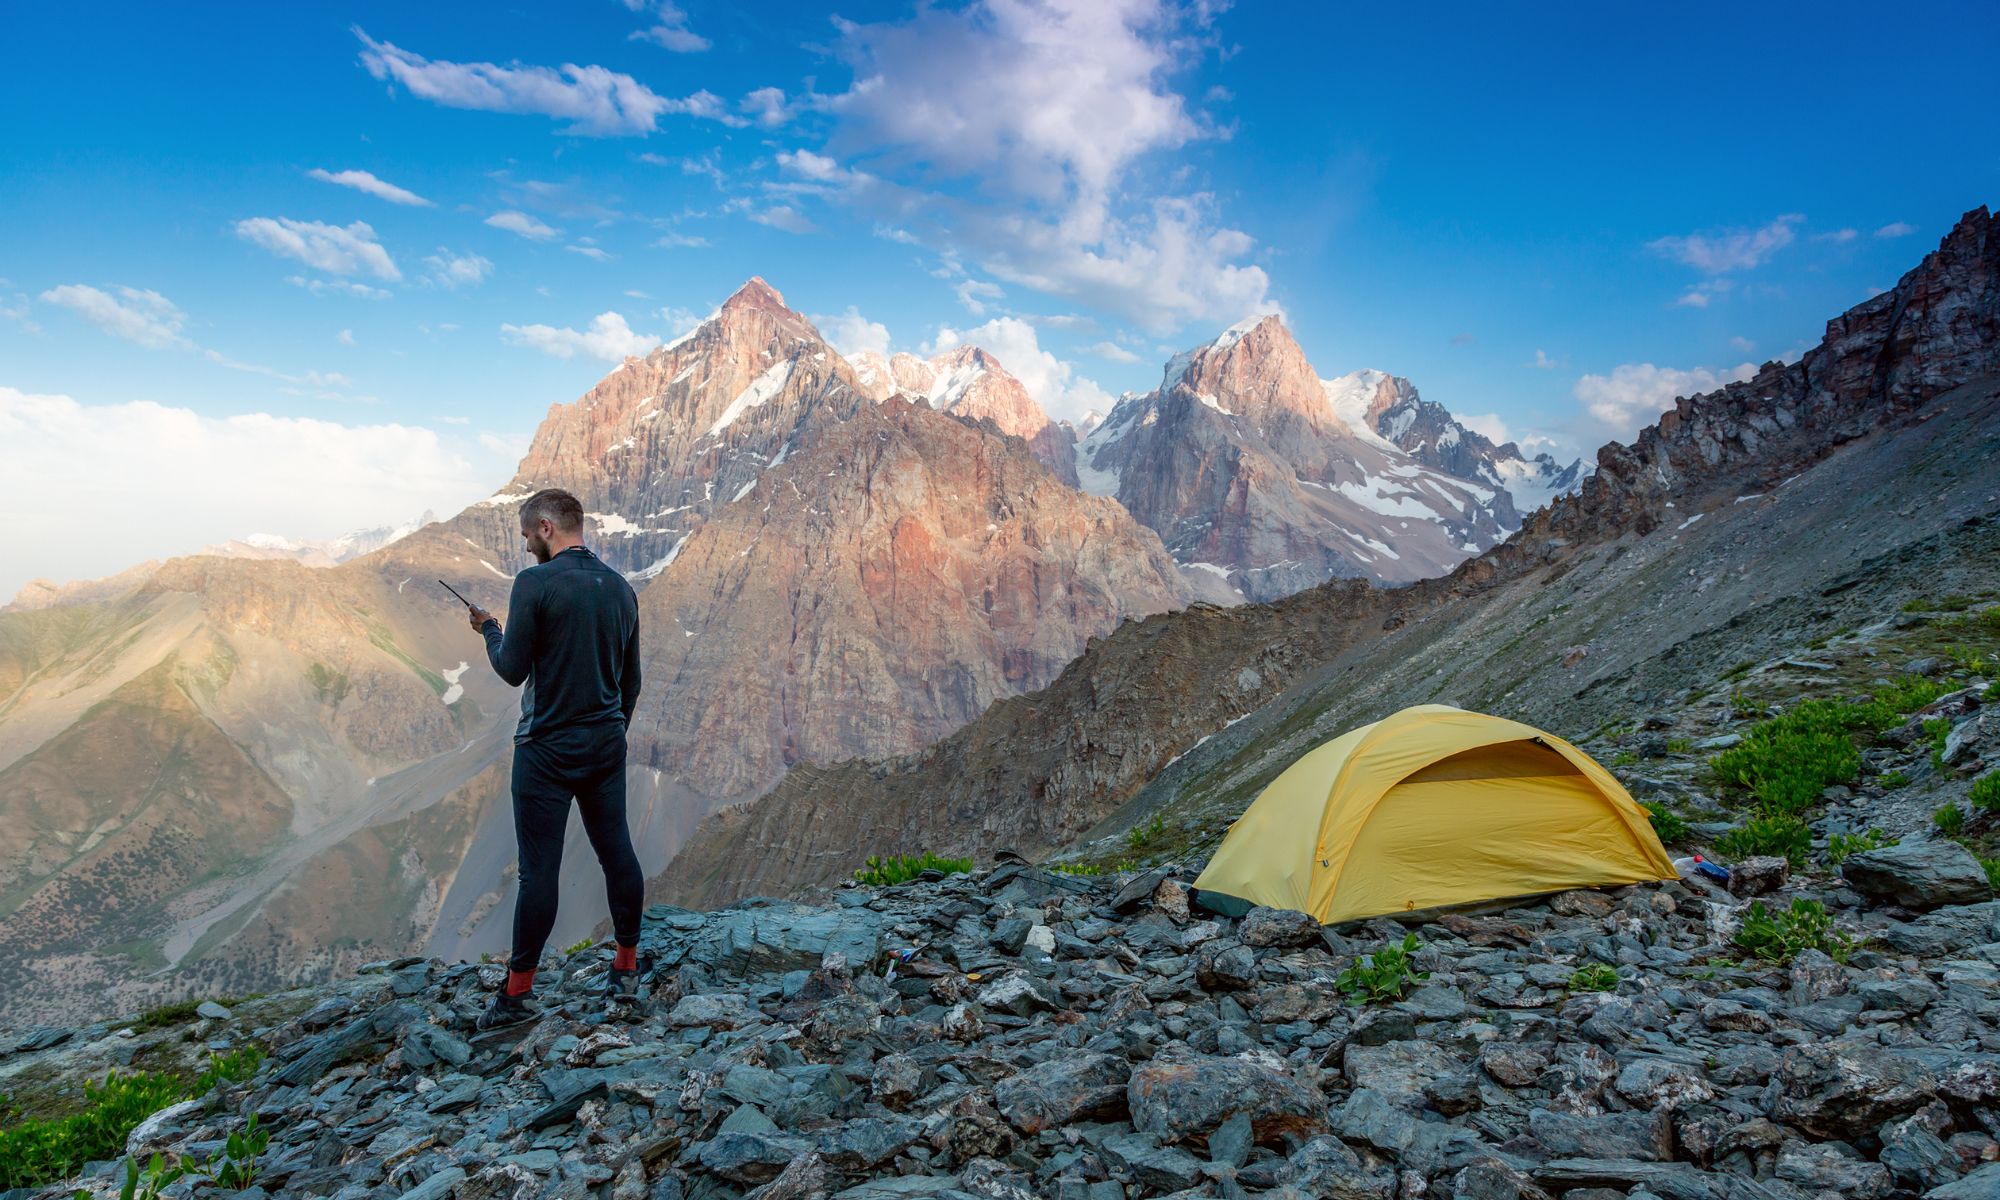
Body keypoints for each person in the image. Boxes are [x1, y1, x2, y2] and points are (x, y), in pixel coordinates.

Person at [466, 487, 647, 1030]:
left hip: (545, 750)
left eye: (527, 536)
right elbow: (630, 681)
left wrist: (489, 630)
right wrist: (613, 734)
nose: (526, 548)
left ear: (546, 527)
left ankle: (517, 995)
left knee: (538, 871)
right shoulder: (621, 589)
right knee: (617, 852)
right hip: (604, 744)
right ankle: (626, 967)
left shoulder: (535, 584)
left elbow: (512, 669)